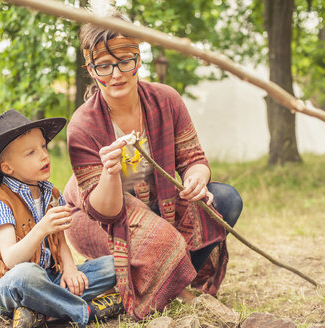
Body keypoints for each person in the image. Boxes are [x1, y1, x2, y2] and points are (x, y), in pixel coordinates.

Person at [63, 15, 243, 320]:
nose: (117, 74)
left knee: (225, 200)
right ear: (91, 70)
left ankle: (162, 282)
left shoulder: (166, 100)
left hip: (162, 206)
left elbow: (193, 159)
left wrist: (196, 179)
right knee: (163, 239)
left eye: (125, 62)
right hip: (96, 219)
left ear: (138, 59)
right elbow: (104, 211)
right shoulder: (83, 125)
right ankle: (173, 290)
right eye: (104, 66)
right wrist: (109, 174)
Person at [0, 109, 123, 328]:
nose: (44, 155)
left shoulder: (50, 193)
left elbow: (60, 239)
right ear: (7, 167)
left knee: (115, 265)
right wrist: (41, 228)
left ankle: (39, 311)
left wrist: (70, 268)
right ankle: (85, 310)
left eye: (43, 147)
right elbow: (11, 259)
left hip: (51, 280)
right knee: (28, 274)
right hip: (11, 286)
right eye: (31, 153)